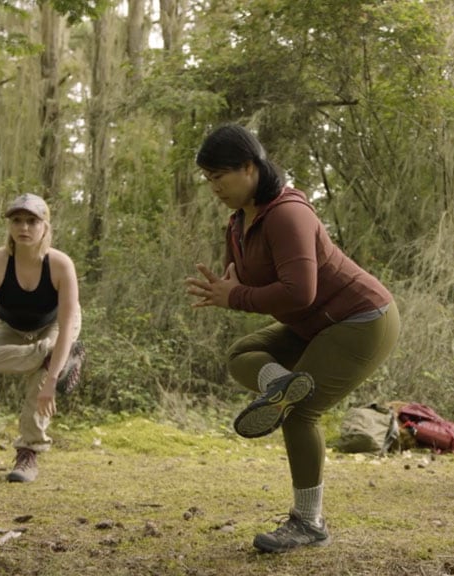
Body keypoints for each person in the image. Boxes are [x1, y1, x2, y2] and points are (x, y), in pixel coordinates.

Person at [185, 124, 400, 552]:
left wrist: (237, 297)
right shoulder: (238, 223)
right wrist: (229, 286)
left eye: (218, 176)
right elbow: (247, 281)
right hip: (314, 324)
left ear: (248, 167)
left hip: (362, 319)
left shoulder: (288, 213)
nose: (213, 187)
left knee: (300, 413)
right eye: (207, 179)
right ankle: (279, 384)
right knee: (243, 353)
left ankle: (309, 523)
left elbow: (299, 290)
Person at [0, 193, 85, 483]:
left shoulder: (59, 265)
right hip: (15, 328)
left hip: (57, 326)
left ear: (45, 227)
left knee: (43, 374)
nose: (24, 228)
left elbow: (66, 326)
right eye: (17, 221)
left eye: (32, 221)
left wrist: (53, 380)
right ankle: (54, 357)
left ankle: (29, 451)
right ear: (10, 226)